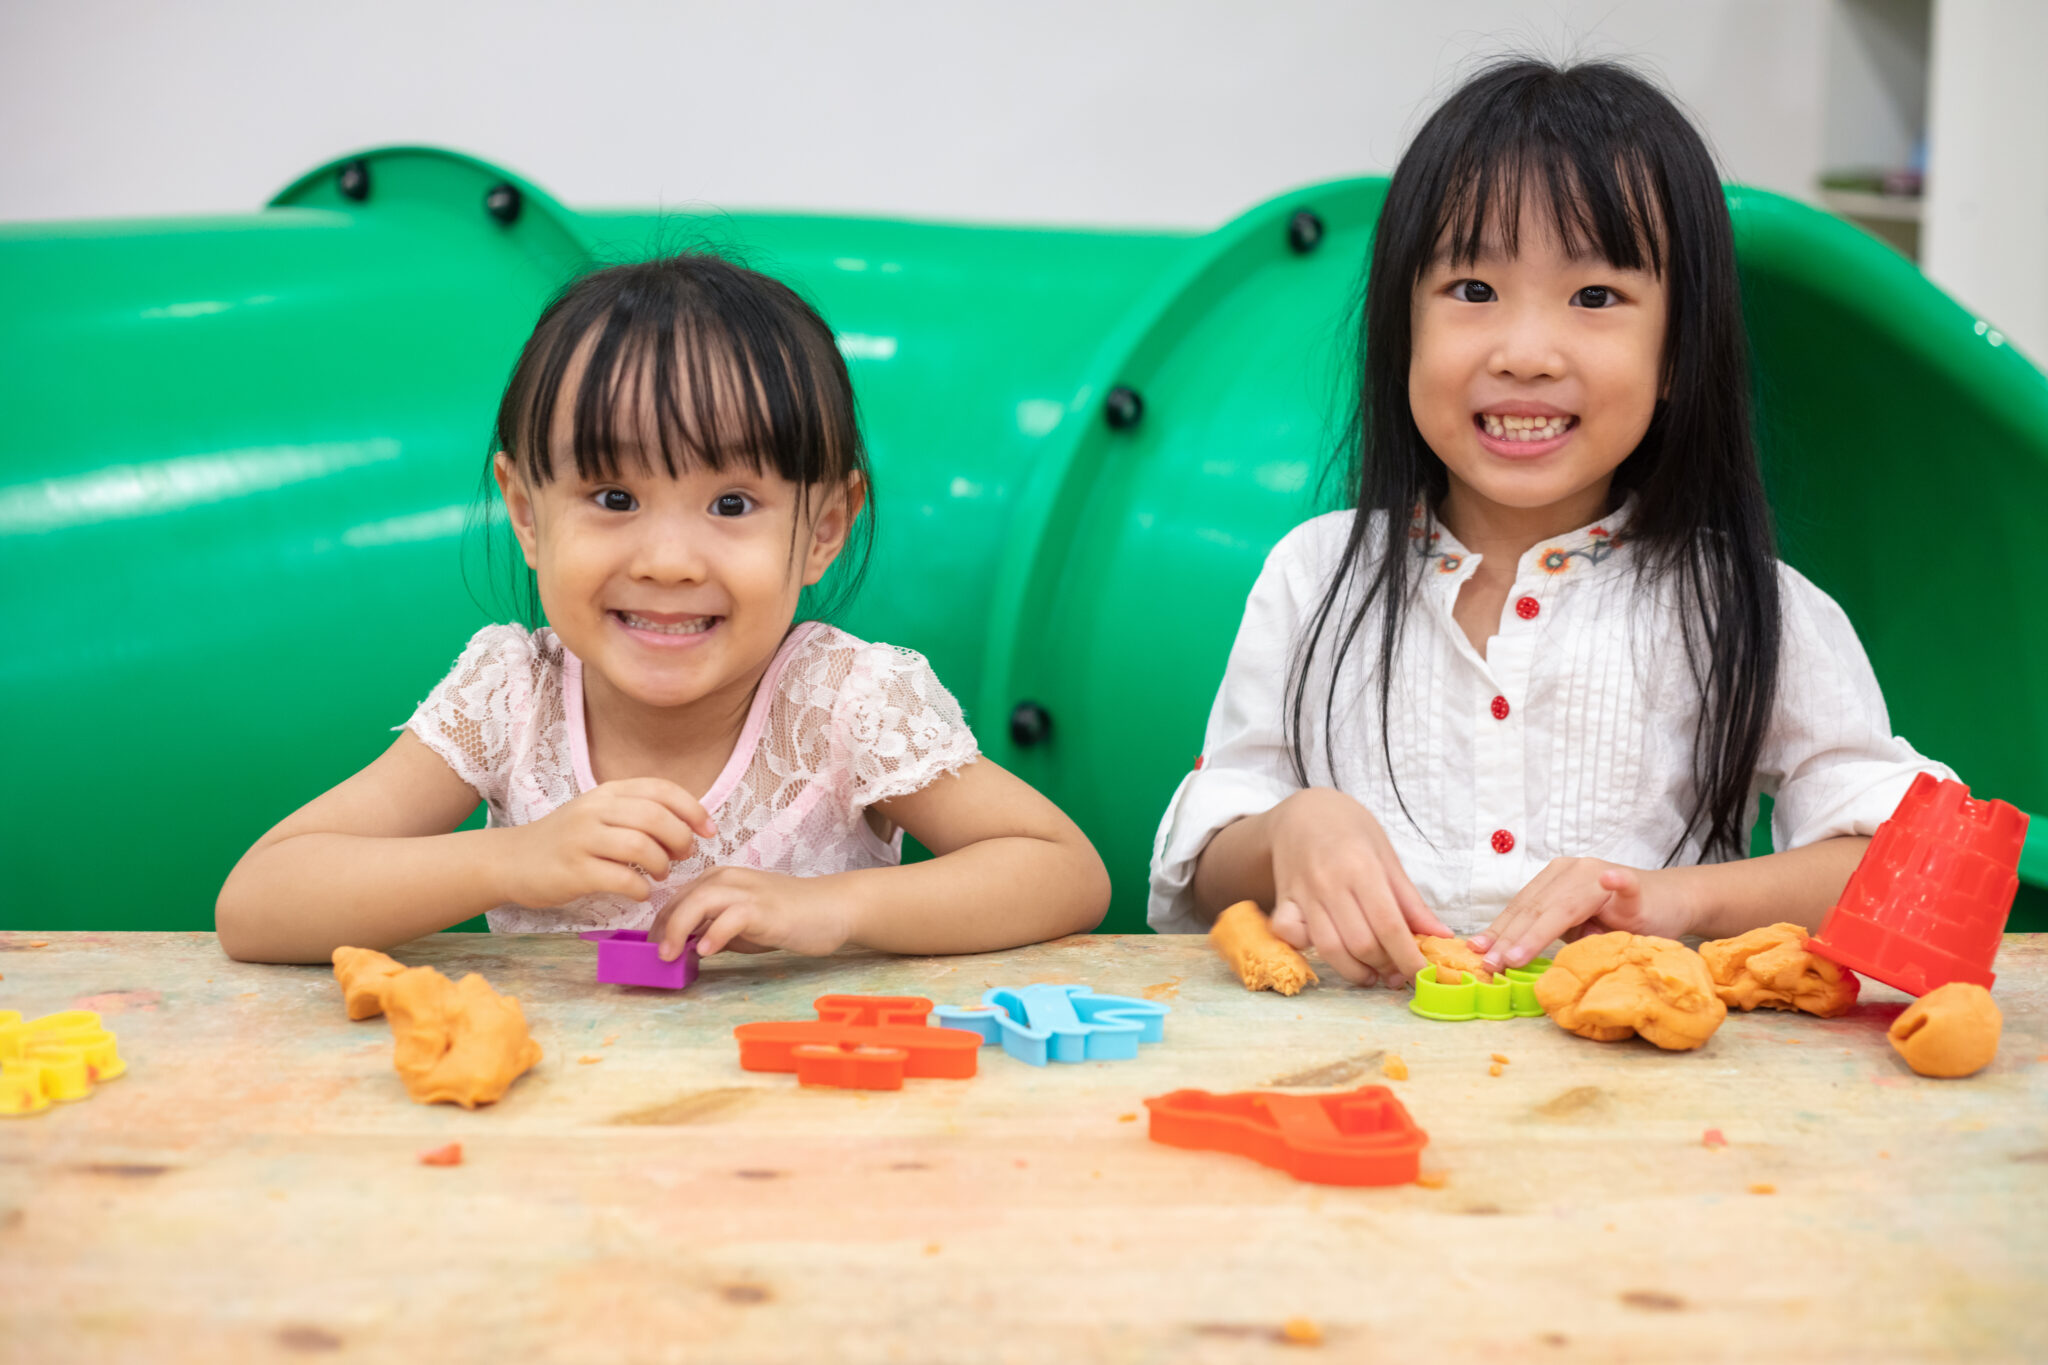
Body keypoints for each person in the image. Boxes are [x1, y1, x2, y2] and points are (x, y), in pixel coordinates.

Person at [1147, 57, 1951, 988]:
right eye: (1474, 292)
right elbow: (1203, 868)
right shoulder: (1313, 573)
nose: (1526, 354)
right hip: (1358, 1082)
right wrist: (1292, 830)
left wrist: (1670, 899)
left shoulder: (1744, 599)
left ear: (1680, 351)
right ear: (1401, 330)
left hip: (1648, 1096)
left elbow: (1910, 863)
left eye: (1596, 298)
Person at [219, 253, 1109, 964]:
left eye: (731, 505)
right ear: (527, 514)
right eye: (613, 498)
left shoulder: (844, 702)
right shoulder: (509, 698)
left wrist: (835, 907)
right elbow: (258, 903)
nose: (670, 563)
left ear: (824, 528)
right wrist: (510, 859)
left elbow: (1062, 871)